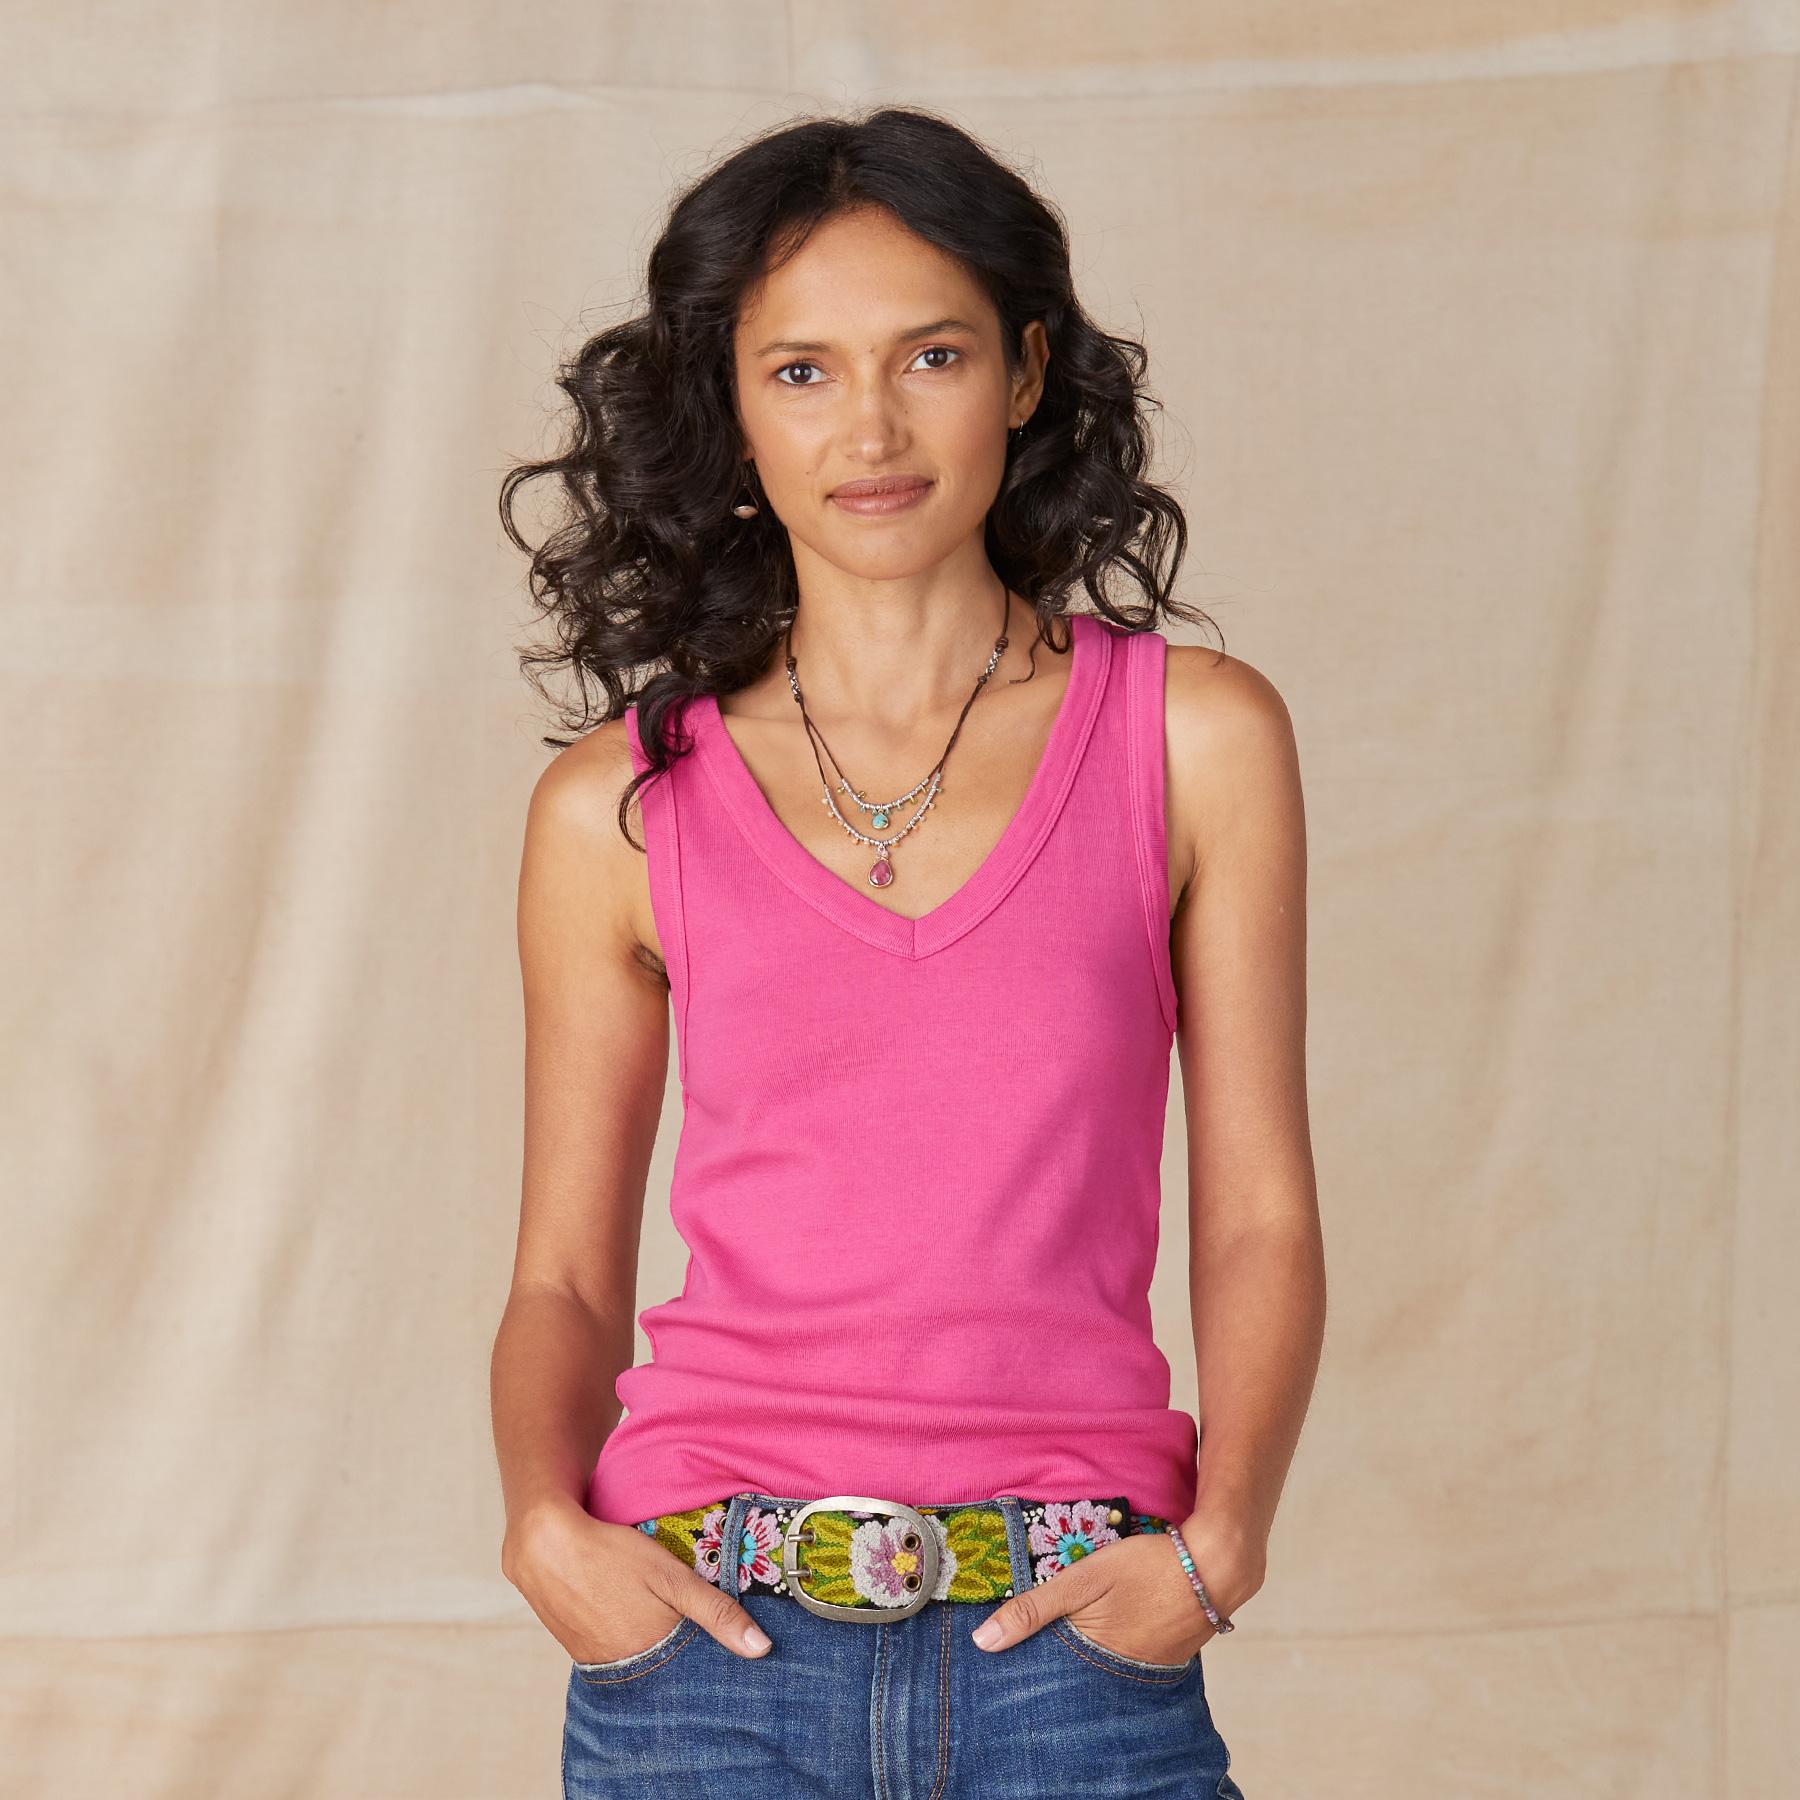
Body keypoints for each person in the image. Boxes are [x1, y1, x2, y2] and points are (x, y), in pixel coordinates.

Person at [491, 104, 1323, 1799]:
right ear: (728, 408)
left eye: (930, 355)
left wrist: (1223, 1539)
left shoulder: (1197, 741)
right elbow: (563, 1277)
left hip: (1076, 1644)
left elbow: (1258, 1213)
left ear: (1025, 374)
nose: (869, 426)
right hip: (704, 1659)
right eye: (799, 371)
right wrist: (540, 1530)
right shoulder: (617, 807)